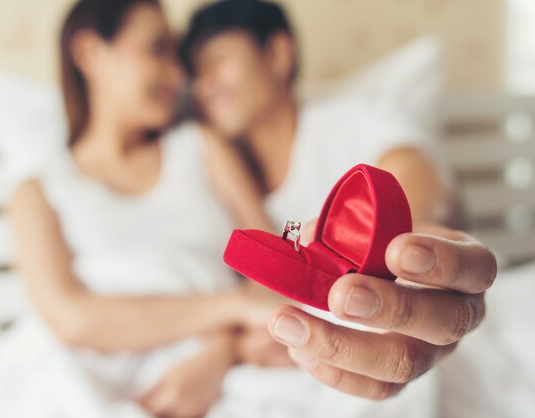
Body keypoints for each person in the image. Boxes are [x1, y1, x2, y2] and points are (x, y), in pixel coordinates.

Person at [0, 1, 293, 417]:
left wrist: (223, 352)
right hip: (94, 374)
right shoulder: (38, 191)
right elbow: (72, 320)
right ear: (89, 52)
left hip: (222, 368)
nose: (178, 76)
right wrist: (232, 307)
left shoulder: (201, 150)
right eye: (156, 49)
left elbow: (276, 274)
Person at [181, 0, 497, 401]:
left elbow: (420, 185)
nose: (202, 84)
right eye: (195, 73)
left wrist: (411, 247)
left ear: (277, 54)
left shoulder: (351, 122)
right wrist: (230, 349)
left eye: (216, 61)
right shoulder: (207, 175)